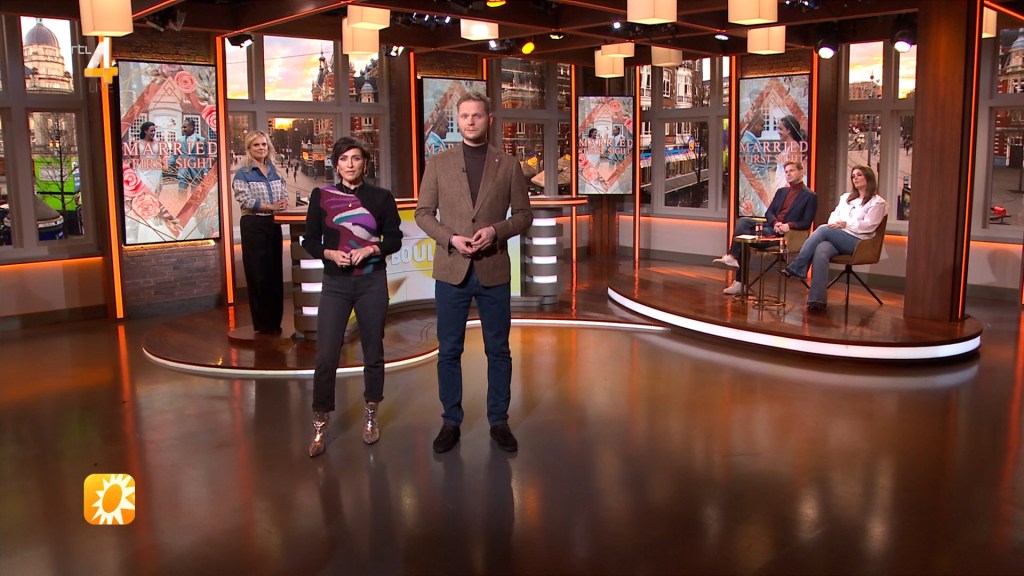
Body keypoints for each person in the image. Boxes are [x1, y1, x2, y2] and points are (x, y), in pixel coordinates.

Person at [415, 91, 533, 454]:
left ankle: (499, 421)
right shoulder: (439, 163)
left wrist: (496, 231)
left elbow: (524, 216)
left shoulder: (508, 164)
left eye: (477, 115)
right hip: (452, 271)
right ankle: (451, 421)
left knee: (498, 350)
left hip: (493, 270)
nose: (470, 121)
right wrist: (451, 238)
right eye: (464, 115)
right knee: (449, 351)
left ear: (489, 119)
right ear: (458, 119)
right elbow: (423, 213)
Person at [302, 136, 403, 457]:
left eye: (356, 158)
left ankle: (371, 414)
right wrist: (330, 253)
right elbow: (309, 239)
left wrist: (372, 249)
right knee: (326, 355)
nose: (350, 164)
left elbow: (395, 238)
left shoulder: (381, 197)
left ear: (365, 163)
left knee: (373, 351)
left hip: (371, 282)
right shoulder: (321, 196)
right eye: (344, 158)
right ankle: (320, 423)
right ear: (336, 164)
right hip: (335, 284)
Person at [782, 165, 886, 312]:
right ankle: (816, 300)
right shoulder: (846, 198)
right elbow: (834, 216)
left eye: (859, 175)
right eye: (853, 176)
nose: (855, 178)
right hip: (839, 235)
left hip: (859, 242)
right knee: (822, 249)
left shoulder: (877, 202)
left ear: (868, 177)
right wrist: (837, 224)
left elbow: (868, 226)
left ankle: (798, 266)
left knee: (823, 229)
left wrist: (845, 224)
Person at [714, 160, 817, 295]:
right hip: (771, 227)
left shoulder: (810, 196)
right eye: (786, 172)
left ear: (801, 172)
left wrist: (788, 225)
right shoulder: (781, 192)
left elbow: (806, 222)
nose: (788, 174)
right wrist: (775, 222)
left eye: (791, 171)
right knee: (744, 222)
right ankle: (733, 261)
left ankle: (739, 279)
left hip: (784, 236)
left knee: (743, 240)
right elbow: (769, 213)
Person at [232, 131, 289, 334]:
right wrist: (270, 206)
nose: (261, 148)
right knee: (259, 274)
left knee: (274, 273)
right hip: (253, 225)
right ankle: (262, 324)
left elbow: (284, 194)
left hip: (273, 225)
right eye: (256, 145)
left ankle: (275, 322)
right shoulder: (243, 174)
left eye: (264, 144)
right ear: (249, 148)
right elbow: (245, 200)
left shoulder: (275, 171)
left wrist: (281, 203)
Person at [169, 119, 208, 196]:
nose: (183, 129)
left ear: (191, 127)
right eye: (182, 127)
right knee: (181, 196)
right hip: (183, 172)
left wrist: (205, 172)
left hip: (196, 173)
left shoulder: (201, 140)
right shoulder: (180, 140)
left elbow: (205, 158)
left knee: (195, 197)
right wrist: (168, 164)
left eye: (185, 127)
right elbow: (175, 155)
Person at [773, 115, 806, 192]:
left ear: (788, 130)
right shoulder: (788, 147)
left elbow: (795, 172)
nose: (778, 132)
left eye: (780, 129)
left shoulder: (794, 148)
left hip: (787, 188)